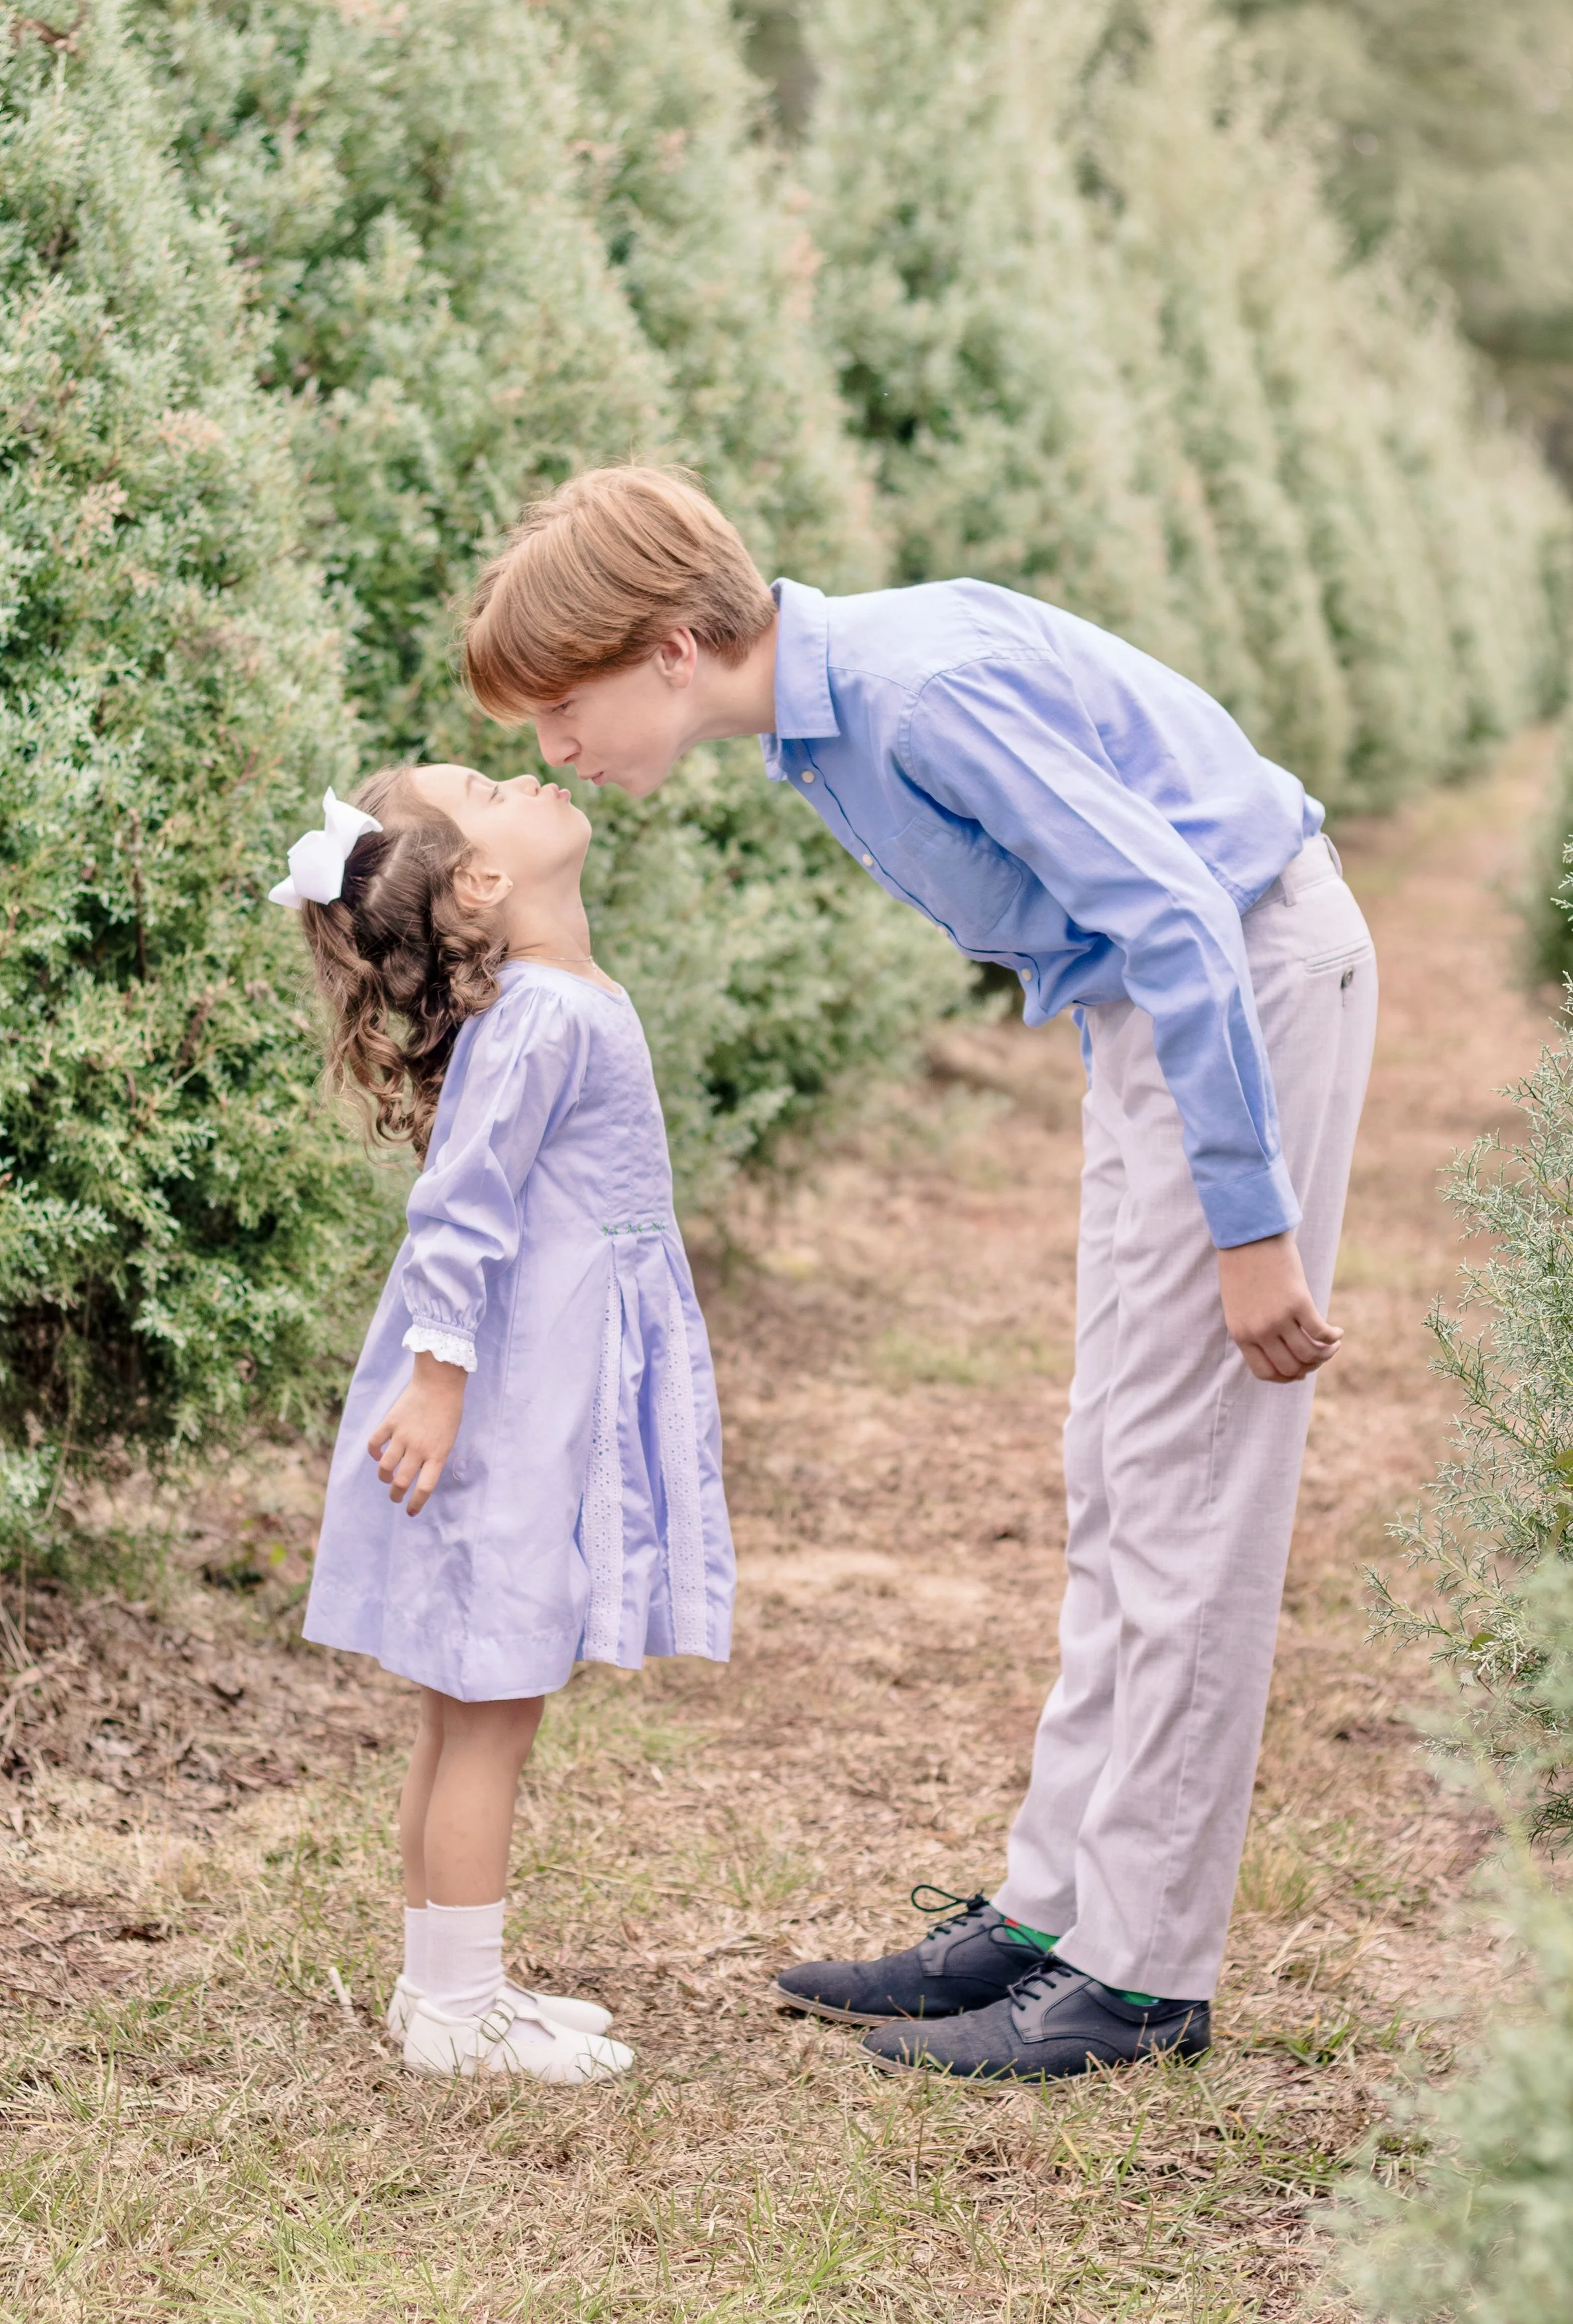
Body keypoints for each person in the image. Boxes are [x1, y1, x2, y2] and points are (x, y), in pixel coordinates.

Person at [461, 465, 1377, 2087]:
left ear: (671, 647)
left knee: (1185, 1487)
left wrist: (1250, 1229)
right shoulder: (819, 719)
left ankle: (1139, 1973)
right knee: (1113, 1466)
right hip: (1154, 1014)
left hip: (1235, 987)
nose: (552, 749)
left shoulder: (906, 692)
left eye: (562, 704)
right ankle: (1049, 1915)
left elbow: (1173, 906)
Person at [272, 761, 734, 2081]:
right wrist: (442, 1381)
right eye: (488, 784)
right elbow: (461, 1210)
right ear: (481, 881)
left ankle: (440, 1991)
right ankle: (462, 2013)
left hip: (534, 1371)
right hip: (508, 1392)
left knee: (463, 1704)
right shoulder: (541, 1019)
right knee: (489, 1704)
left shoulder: (554, 1002)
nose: (527, 769)